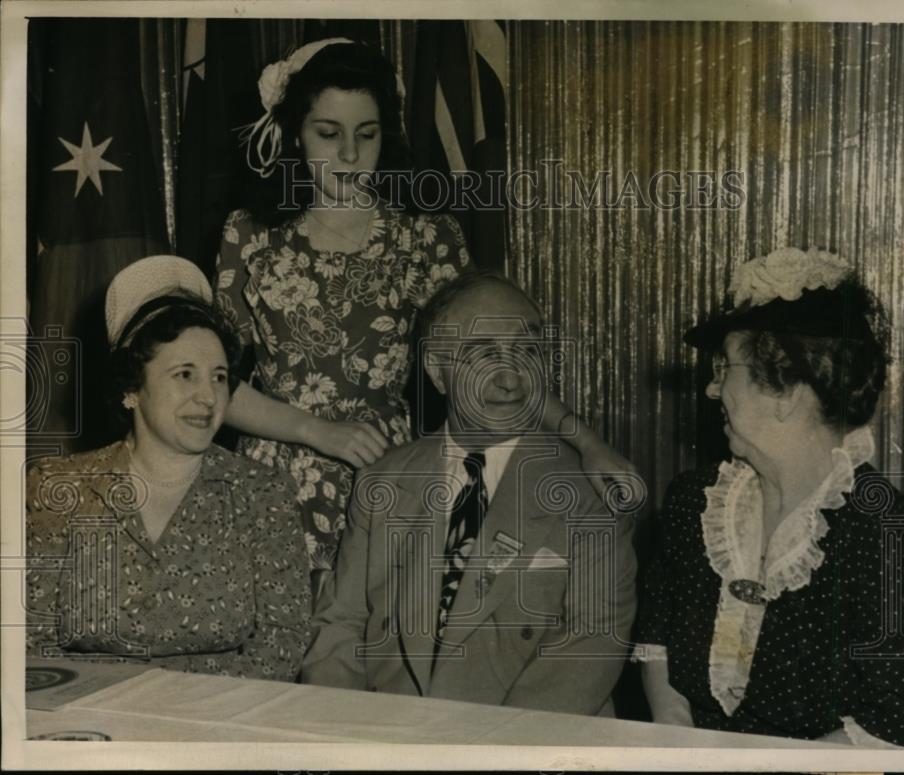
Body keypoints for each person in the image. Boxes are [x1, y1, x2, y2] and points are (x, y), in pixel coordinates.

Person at [215, 38, 640, 589]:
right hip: (275, 480)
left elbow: (496, 368)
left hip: (392, 474)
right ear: (295, 133)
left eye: (365, 135)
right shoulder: (248, 233)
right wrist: (316, 430)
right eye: (328, 133)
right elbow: (212, 383)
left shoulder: (427, 237)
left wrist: (587, 442)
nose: (348, 155)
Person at [634, 247, 904, 747]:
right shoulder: (695, 501)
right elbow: (655, 636)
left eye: (725, 370)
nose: (713, 391)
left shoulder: (884, 528)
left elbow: (900, 721)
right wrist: (680, 742)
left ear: (786, 395)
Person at [301, 272, 638, 715]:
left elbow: (590, 644)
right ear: (437, 372)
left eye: (527, 352)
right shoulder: (381, 482)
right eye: (482, 354)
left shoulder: (589, 490)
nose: (510, 379)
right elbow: (340, 626)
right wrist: (346, 735)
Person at [25, 255, 312, 681]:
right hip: (91, 719)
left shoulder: (262, 493)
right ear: (130, 389)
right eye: (185, 375)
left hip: (221, 721)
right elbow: (30, 639)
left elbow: (280, 645)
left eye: (218, 377)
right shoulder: (58, 486)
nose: (208, 398)